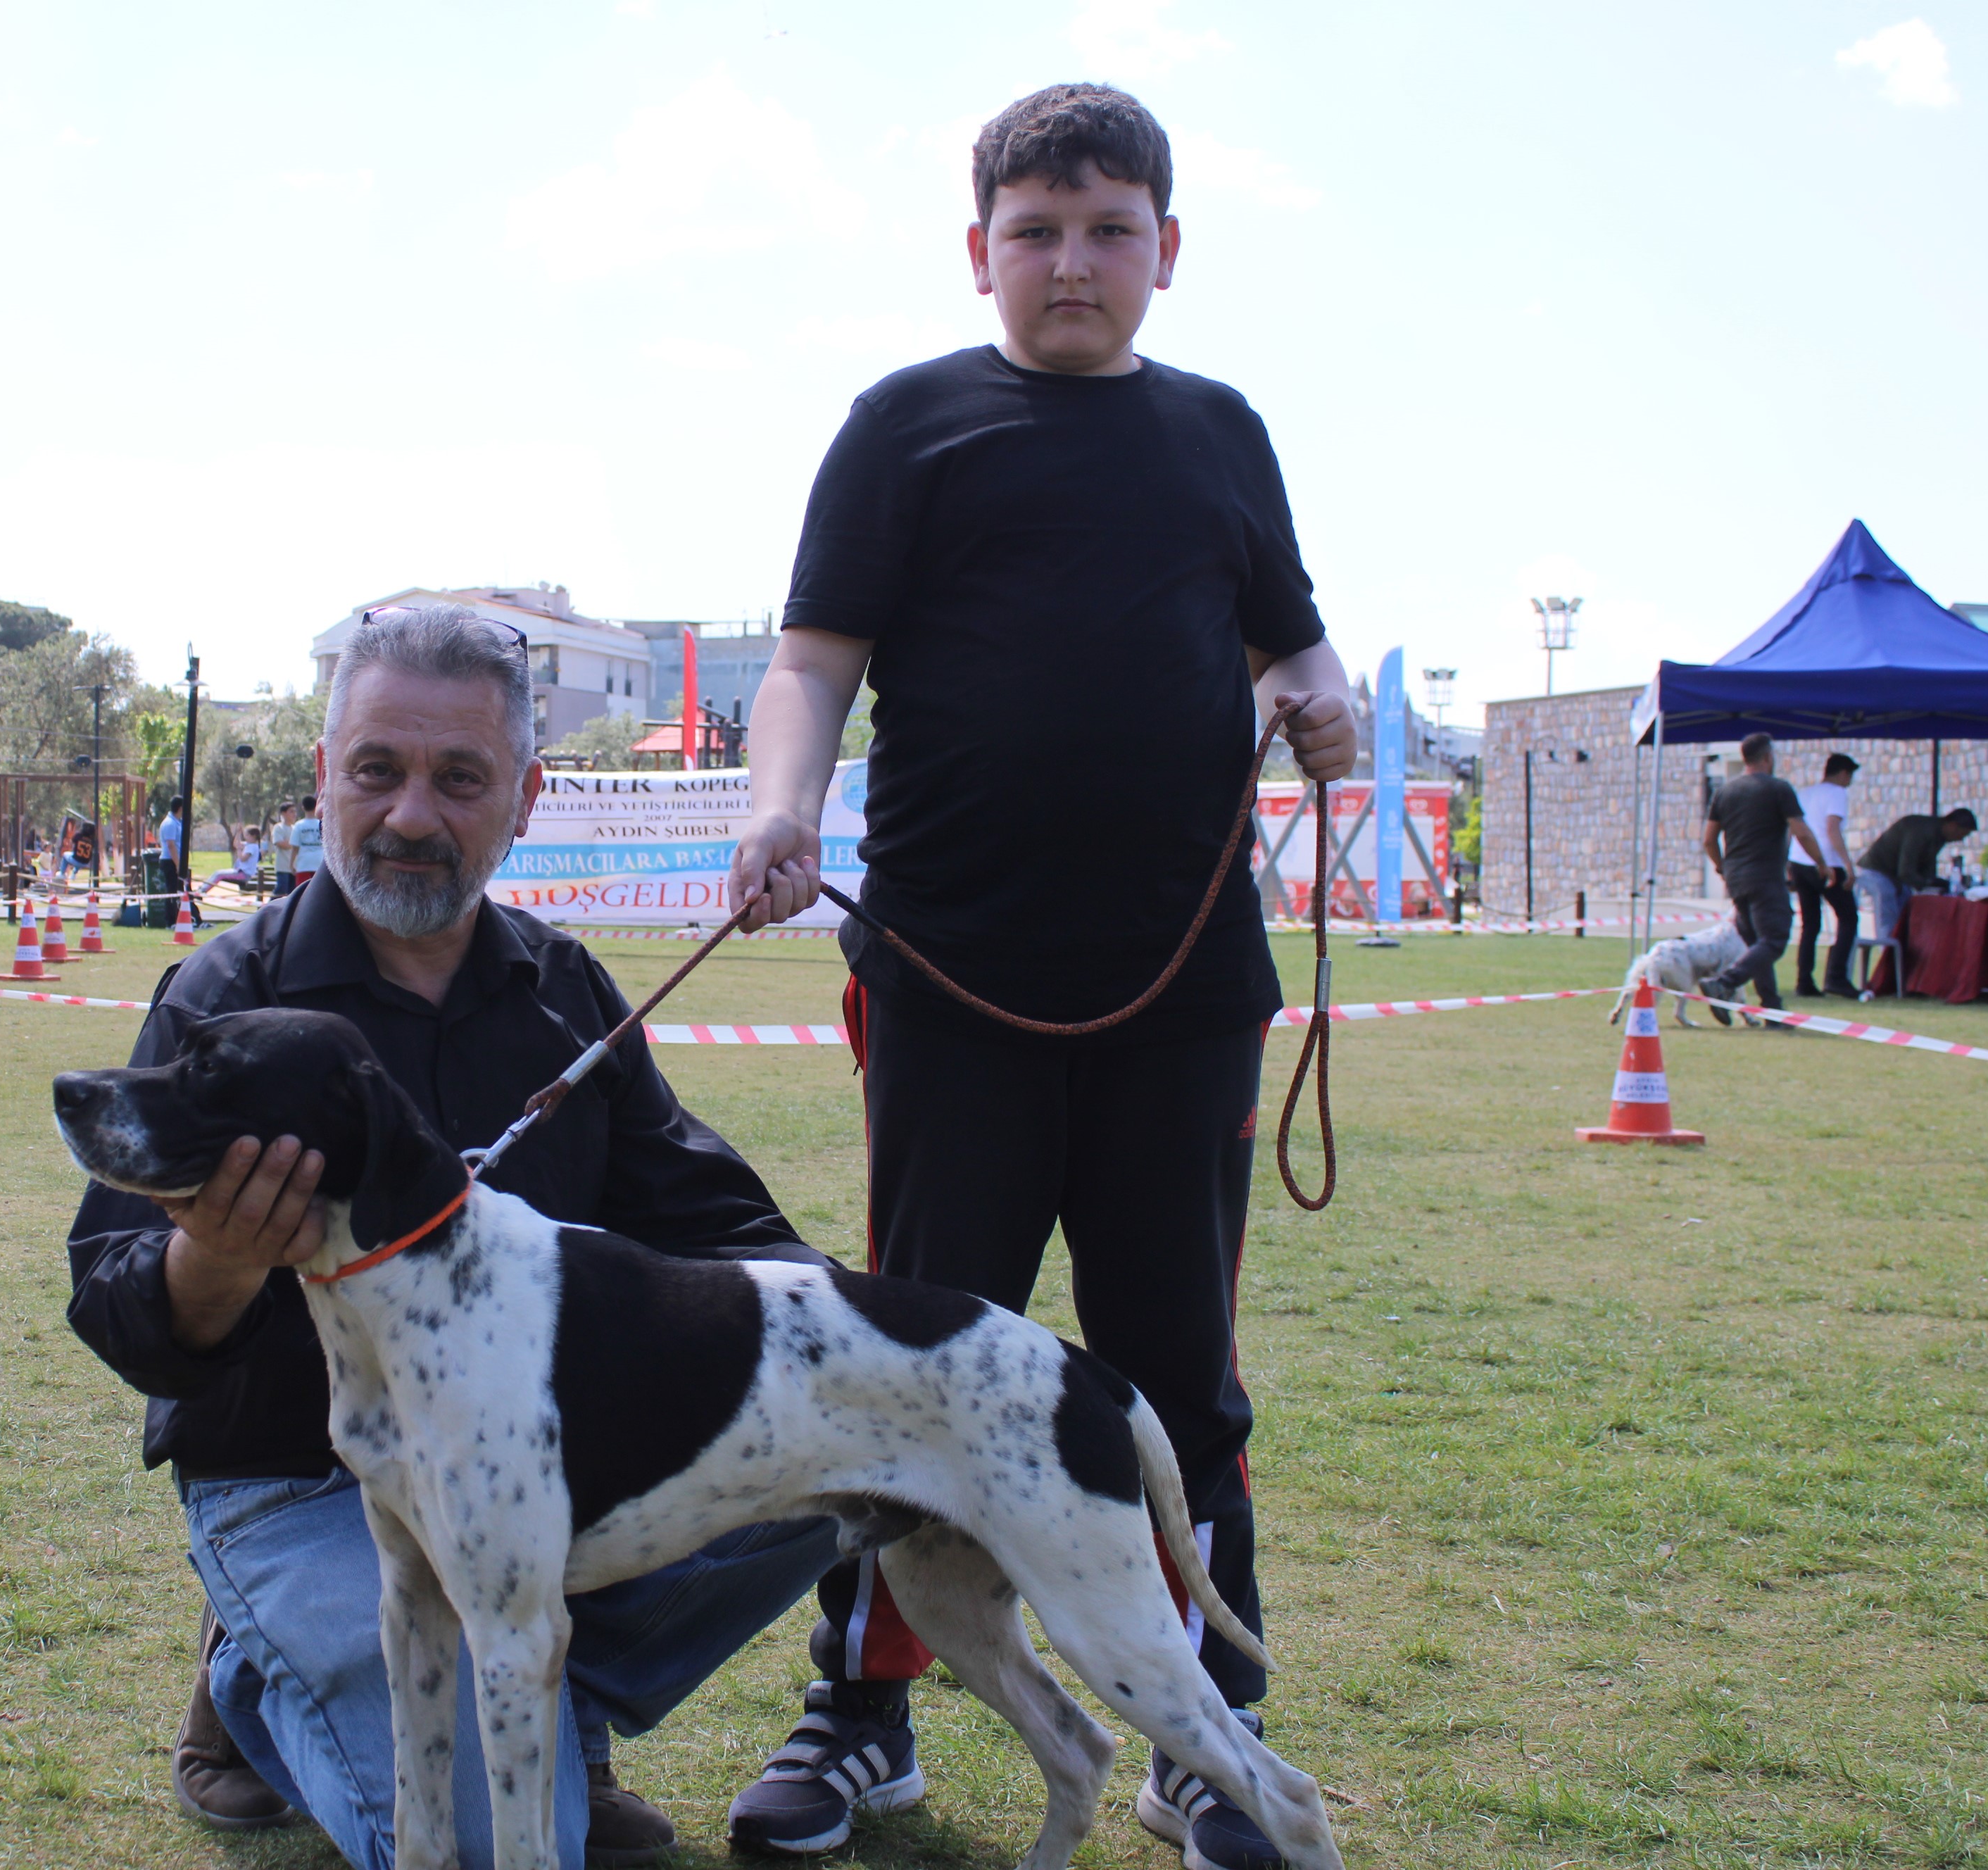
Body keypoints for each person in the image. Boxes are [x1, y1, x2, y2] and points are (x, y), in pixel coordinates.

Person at [721, 85, 1359, 1869]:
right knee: (903, 1374)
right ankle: (862, 1718)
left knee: (1181, 1382)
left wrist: (1326, 709)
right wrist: (779, 809)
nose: (1071, 262)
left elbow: (1306, 659)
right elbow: (810, 662)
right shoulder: (907, 425)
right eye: (1035, 230)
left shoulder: (1222, 435)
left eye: (1107, 228)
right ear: (978, 248)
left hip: (1184, 995)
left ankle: (1210, 1745)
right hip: (950, 981)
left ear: (1167, 246)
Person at [66, 605, 841, 1869]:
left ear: (524, 798)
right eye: (377, 770)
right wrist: (216, 1257)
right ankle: (260, 1684)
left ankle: (534, 1701)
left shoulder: (567, 995)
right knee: (484, 1849)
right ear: (324, 778)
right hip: (302, 1490)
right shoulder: (224, 999)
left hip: (534, 1484)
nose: (412, 815)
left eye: (459, 778)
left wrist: (879, 1357)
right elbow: (114, 1307)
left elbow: (730, 1230)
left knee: (834, 1455)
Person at [1699, 733, 1831, 1022]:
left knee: (1757, 944)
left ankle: (1772, 1012)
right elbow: (1802, 831)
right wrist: (1822, 862)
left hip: (1736, 878)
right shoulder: (1778, 789)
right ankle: (1724, 983)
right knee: (1774, 939)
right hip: (1766, 876)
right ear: (1768, 757)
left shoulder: (1725, 792)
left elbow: (1709, 839)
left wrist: (1722, 867)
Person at [1857, 806, 1980, 965]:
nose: (1961, 839)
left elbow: (1924, 871)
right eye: (1963, 833)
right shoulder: (1922, 831)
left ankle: (1902, 966)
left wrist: (1939, 883)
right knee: (1889, 918)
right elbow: (1906, 870)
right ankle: (1887, 966)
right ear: (1953, 826)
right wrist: (1928, 883)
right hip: (1877, 871)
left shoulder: (1938, 836)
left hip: (1897, 877)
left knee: (1908, 916)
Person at [1787, 753, 1858, 998]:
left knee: (1811, 925)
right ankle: (1836, 977)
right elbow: (1832, 829)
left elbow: (1793, 827)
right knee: (1849, 919)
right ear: (1843, 773)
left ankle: (1804, 981)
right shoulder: (1837, 793)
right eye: (1850, 776)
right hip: (1826, 863)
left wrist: (1788, 861)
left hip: (1800, 860)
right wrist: (1848, 865)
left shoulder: (1806, 793)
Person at [287, 793, 322, 893]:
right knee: (318, 892)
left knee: (302, 893)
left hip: (304, 864)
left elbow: (295, 847)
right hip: (319, 863)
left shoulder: (299, 825)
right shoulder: (321, 824)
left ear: (303, 808)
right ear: (316, 806)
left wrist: (291, 865)